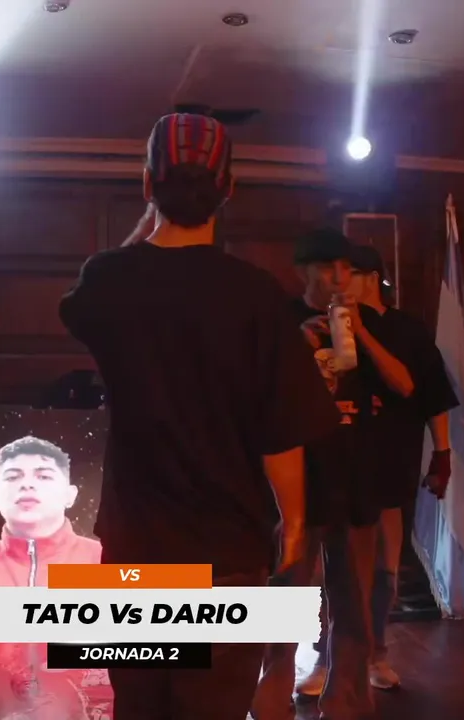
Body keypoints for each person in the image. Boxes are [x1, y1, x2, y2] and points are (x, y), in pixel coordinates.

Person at [59, 113, 339, 720]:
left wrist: (152, 220)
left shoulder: (107, 281)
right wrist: (293, 525)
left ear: (147, 186)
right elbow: (281, 433)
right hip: (228, 551)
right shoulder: (258, 296)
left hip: (135, 549)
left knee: (139, 709)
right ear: (228, 190)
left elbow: (94, 296)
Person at [254, 229, 387, 720]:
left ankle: (347, 698)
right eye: (328, 267)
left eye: (346, 268)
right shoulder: (278, 323)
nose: (339, 277)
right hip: (296, 482)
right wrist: (299, 345)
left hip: (354, 477)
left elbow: (401, 389)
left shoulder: (368, 323)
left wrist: (361, 333)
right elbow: (256, 395)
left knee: (353, 603)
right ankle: (272, 693)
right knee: (284, 595)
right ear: (302, 271)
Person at [344, 244, 458, 690]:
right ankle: (328, 657)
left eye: (349, 272)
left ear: (372, 277)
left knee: (384, 570)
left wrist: (442, 455)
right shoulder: (327, 324)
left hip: (391, 463)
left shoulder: (407, 330)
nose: (340, 281)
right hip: (338, 464)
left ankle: (377, 654)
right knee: (336, 572)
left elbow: (425, 392)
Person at [0, 436, 101, 587]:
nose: (27, 484)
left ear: (70, 495)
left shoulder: (106, 563)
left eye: (43, 476)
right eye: (13, 477)